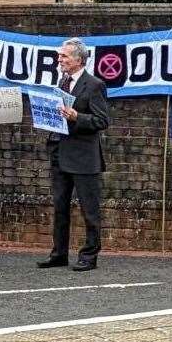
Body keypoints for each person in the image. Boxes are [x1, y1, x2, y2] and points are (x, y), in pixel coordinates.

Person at [38, 38, 112, 272]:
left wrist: (76, 117)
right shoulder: (62, 81)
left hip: (83, 156)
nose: (59, 59)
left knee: (89, 209)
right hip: (60, 151)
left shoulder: (94, 85)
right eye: (60, 56)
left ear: (78, 59)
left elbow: (102, 120)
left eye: (64, 56)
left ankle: (89, 255)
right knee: (60, 206)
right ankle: (59, 253)